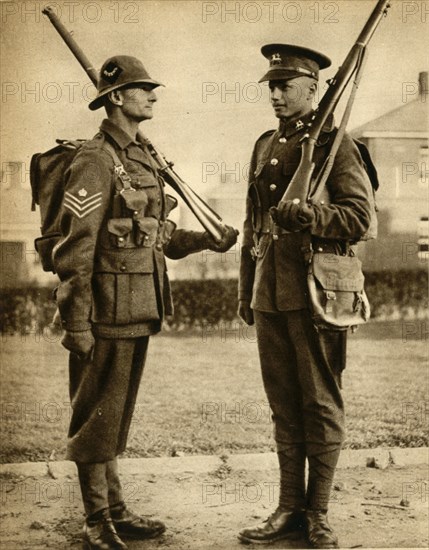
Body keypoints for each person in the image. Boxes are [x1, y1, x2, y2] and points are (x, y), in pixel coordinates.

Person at [52, 55, 237, 550]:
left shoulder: (142, 159)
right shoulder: (94, 160)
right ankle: (96, 522)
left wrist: (208, 241)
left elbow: (156, 238)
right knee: (95, 416)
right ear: (116, 98)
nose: (153, 95)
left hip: (136, 309)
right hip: (103, 314)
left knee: (115, 414)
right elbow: (75, 250)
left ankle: (114, 509)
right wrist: (78, 322)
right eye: (142, 89)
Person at [237, 44, 373, 549]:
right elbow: (252, 224)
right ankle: (288, 507)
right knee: (283, 405)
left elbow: (360, 219)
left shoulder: (338, 145)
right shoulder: (263, 145)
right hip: (270, 292)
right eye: (271, 85)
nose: (275, 94)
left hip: (318, 291)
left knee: (320, 402)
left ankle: (318, 514)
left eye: (285, 85)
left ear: (313, 88)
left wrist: (313, 216)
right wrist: (244, 292)